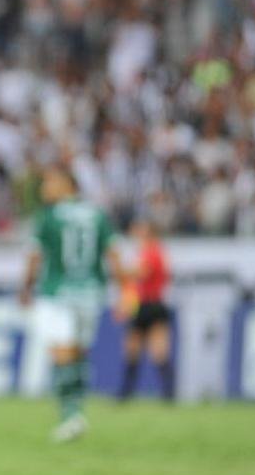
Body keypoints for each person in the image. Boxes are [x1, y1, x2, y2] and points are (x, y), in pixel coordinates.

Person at [20, 166, 122, 443]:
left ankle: (70, 413)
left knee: (62, 352)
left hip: (58, 292)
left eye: (50, 182)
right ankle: (76, 411)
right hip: (91, 292)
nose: (44, 189)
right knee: (78, 353)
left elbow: (35, 256)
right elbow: (113, 254)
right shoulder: (97, 215)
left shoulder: (49, 217)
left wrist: (25, 288)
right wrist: (124, 290)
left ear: (67, 185)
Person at [118, 219, 174, 401]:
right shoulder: (147, 252)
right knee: (132, 350)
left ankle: (168, 393)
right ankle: (126, 392)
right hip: (143, 305)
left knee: (158, 351)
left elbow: (141, 273)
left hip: (151, 305)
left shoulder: (152, 252)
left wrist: (119, 270)